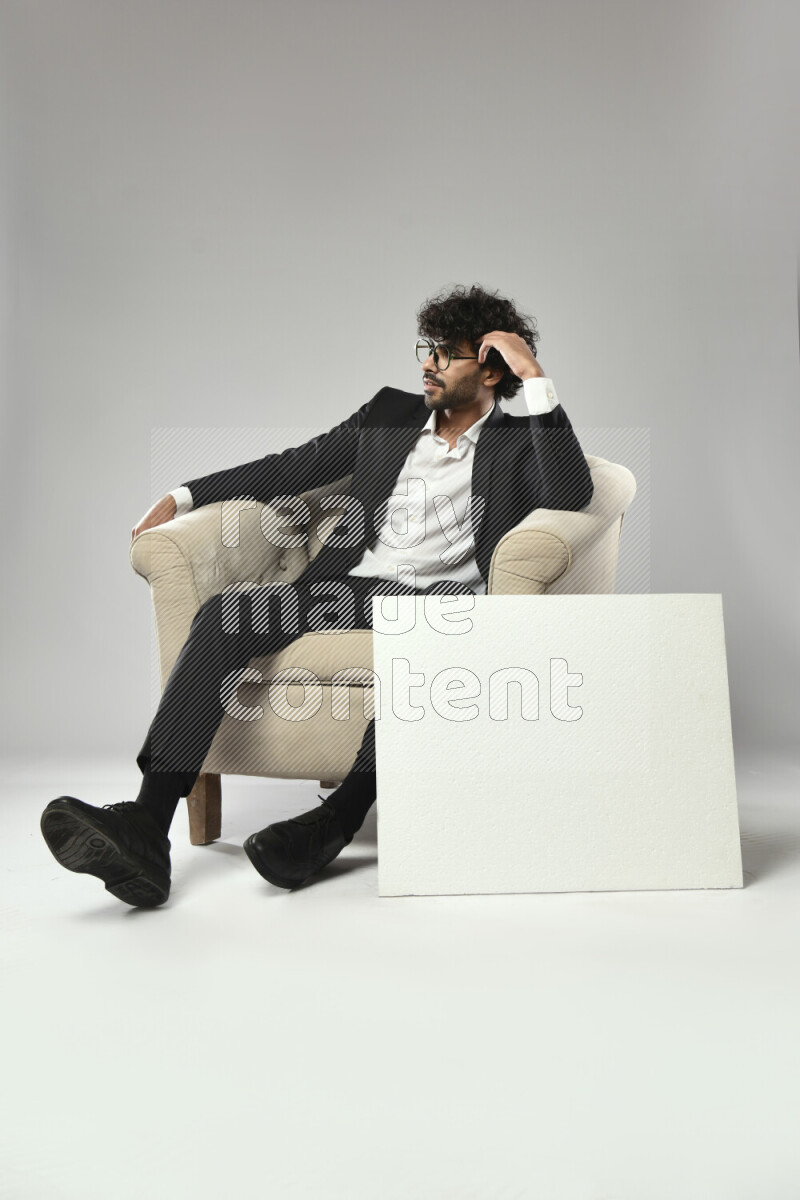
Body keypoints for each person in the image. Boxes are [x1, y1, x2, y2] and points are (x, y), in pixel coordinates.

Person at [40, 283, 594, 907]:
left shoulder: (519, 442)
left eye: (447, 354)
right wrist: (184, 494)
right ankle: (146, 828)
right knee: (225, 614)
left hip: (443, 602)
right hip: (350, 589)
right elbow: (293, 466)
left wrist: (534, 373)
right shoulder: (390, 413)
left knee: (431, 661)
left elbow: (572, 493)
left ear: (490, 368)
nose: (428, 364)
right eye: (426, 349)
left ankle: (331, 825)